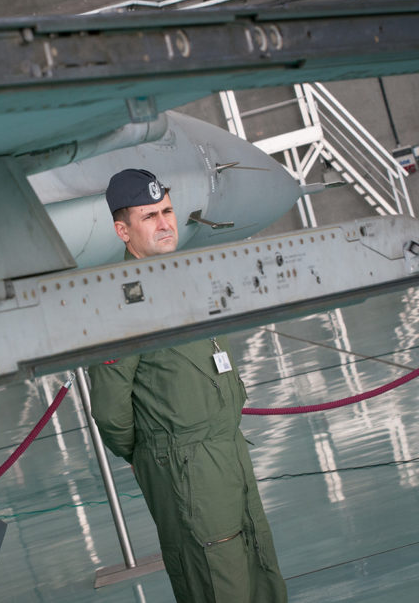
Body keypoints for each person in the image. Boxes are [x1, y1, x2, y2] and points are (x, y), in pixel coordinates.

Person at [87, 168, 287, 603]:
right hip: (185, 464)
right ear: (123, 231)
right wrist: (153, 454)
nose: (165, 223)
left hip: (227, 450)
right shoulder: (121, 303)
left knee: (258, 566)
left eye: (168, 211)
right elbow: (108, 409)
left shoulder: (187, 277)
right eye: (150, 217)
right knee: (216, 580)